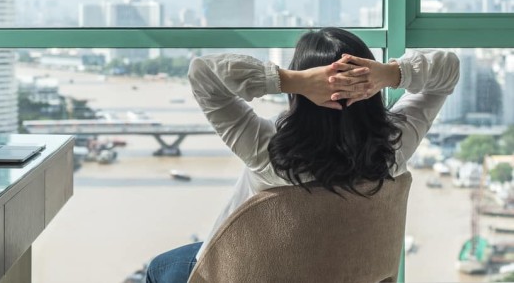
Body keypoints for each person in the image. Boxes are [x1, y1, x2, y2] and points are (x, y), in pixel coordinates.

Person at [145, 27, 460, 283]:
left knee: (161, 267)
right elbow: (448, 69)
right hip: (344, 270)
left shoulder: (269, 151)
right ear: (370, 84)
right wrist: (390, 75)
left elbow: (204, 74)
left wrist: (291, 81)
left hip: (252, 273)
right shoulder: (395, 145)